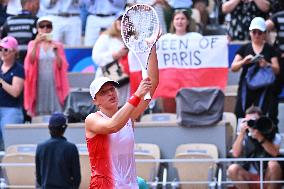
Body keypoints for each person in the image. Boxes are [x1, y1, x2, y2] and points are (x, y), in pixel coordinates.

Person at [85, 38, 159, 188]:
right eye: (104, 92)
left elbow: (154, 82)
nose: (110, 94)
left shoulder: (128, 116)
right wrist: (137, 95)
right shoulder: (92, 119)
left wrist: (152, 48)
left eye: (112, 89)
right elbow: (113, 126)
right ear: (95, 101)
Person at [231, 17, 280, 125]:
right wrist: (244, 62)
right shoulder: (244, 48)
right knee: (240, 113)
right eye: (254, 32)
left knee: (262, 115)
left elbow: (276, 70)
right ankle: (242, 138)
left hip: (264, 88)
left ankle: (261, 138)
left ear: (264, 34)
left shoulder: (270, 49)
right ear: (250, 33)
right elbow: (233, 67)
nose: (257, 35)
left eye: (260, 32)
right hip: (246, 87)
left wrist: (266, 64)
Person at [24, 16, 69, 117]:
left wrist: (56, 53)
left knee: (56, 110)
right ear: (38, 29)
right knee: (39, 110)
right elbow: (30, 61)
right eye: (42, 26)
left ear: (52, 28)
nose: (45, 29)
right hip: (38, 80)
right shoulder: (32, 44)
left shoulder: (58, 45)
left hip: (54, 80)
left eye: (48, 26)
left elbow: (62, 66)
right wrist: (36, 43)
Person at [227, 106, 283, 189]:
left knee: (273, 164)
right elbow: (235, 153)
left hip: (267, 176)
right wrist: (241, 133)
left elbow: (274, 152)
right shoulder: (243, 135)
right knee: (232, 169)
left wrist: (260, 137)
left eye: (254, 120)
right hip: (249, 176)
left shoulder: (273, 134)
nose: (252, 123)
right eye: (249, 121)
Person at [158, 9, 202, 113]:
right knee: (170, 113)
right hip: (169, 82)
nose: (180, 21)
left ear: (187, 22)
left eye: (183, 19)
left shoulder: (196, 37)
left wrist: (222, 42)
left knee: (189, 112)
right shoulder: (165, 39)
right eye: (177, 19)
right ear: (173, 22)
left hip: (189, 82)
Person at [92, 14, 130, 107]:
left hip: (127, 79)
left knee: (124, 107)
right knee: (108, 106)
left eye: (125, 20)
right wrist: (115, 55)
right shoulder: (106, 37)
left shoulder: (132, 39)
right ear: (115, 21)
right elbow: (96, 57)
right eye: (119, 19)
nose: (122, 22)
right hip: (108, 77)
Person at [35, 112, 81, 189]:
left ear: (49, 127)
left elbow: (39, 177)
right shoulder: (71, 148)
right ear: (65, 128)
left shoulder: (40, 147)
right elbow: (77, 177)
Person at [0, 36, 24, 151]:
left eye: (6, 49)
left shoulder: (18, 69)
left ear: (14, 52)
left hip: (11, 110)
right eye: (1, 49)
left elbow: (15, 92)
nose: (2, 52)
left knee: (10, 146)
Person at [1, 0, 39, 64]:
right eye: (37, 4)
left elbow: (3, 42)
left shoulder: (9, 21)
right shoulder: (35, 21)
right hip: (30, 64)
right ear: (29, 3)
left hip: (12, 64)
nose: (38, 7)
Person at [265, 6, 284, 132]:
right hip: (280, 59)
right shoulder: (279, 15)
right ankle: (272, 130)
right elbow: (263, 26)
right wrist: (271, 48)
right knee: (272, 94)